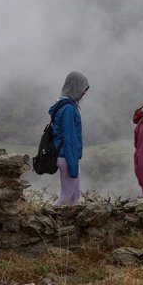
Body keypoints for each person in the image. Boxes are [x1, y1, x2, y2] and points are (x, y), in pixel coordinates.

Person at [50, 71, 89, 206]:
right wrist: (73, 166)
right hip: (66, 156)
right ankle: (51, 222)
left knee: (75, 196)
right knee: (66, 197)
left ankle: (67, 225)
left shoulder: (65, 105)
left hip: (65, 155)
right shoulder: (68, 109)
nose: (84, 92)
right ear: (76, 87)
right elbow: (70, 138)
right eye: (83, 88)